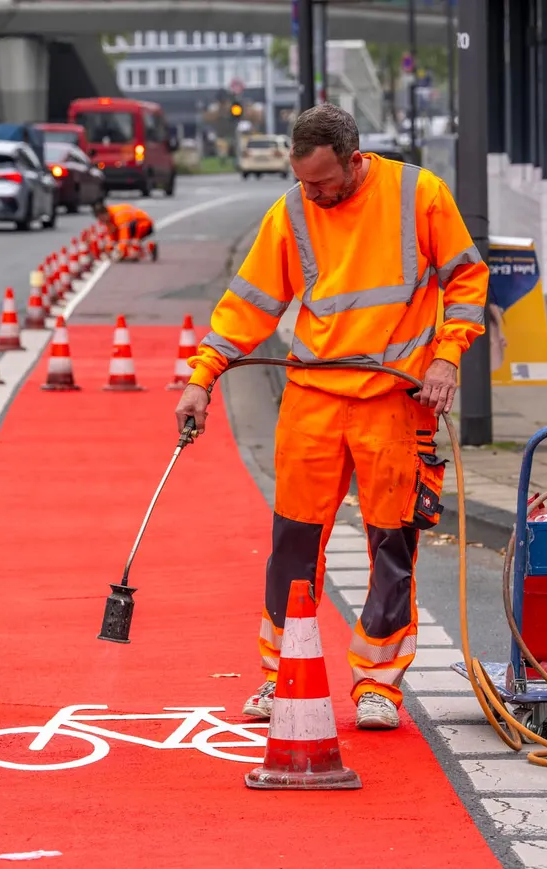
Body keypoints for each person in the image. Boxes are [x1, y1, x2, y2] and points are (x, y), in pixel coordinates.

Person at [173, 104, 488, 730]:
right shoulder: (291, 211)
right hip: (314, 398)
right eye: (303, 179)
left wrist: (447, 358)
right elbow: (248, 306)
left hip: (395, 403)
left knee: (390, 547)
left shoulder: (416, 194)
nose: (312, 192)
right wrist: (201, 378)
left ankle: (378, 684)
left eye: (322, 181)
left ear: (354, 158)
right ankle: (280, 674)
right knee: (293, 545)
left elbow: (467, 277)